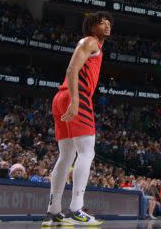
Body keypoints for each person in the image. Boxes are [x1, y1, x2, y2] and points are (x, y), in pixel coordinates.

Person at [43, 12, 112, 227]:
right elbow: (72, 69)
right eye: (103, 22)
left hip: (62, 97)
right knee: (86, 151)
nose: (108, 25)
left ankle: (53, 210)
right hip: (75, 96)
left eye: (109, 22)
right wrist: (75, 100)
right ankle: (76, 208)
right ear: (92, 27)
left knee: (66, 156)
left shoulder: (95, 44)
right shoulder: (90, 41)